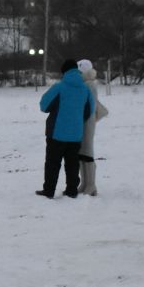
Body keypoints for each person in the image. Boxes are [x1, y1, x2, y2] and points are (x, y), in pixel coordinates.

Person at [36, 59, 93, 198]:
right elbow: (89, 111)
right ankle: (72, 190)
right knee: (73, 164)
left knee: (52, 163)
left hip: (57, 133)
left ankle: (49, 191)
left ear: (64, 72)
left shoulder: (59, 87)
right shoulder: (85, 89)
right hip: (76, 133)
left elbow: (44, 105)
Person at [77, 59, 110, 196]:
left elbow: (90, 105)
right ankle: (84, 182)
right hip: (83, 121)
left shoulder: (89, 84)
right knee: (82, 152)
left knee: (88, 151)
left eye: (79, 71)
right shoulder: (85, 83)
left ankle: (91, 184)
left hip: (87, 122)